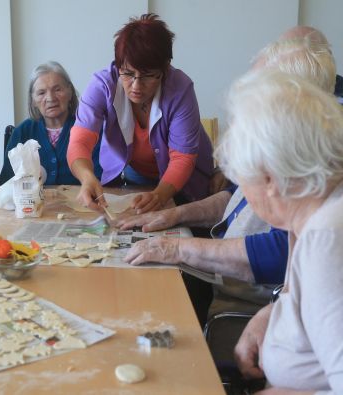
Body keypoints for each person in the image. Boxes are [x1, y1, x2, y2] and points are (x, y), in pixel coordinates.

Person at [117, 28, 336, 318]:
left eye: (261, 90)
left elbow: (284, 251)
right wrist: (174, 215)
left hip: (240, 303)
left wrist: (180, 249)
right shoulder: (284, 145)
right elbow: (234, 197)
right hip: (226, 283)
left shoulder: (316, 163)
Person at [223, 70, 343, 394]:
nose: (245, 196)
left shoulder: (327, 239)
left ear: (270, 180)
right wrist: (274, 314)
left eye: (243, 180)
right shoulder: (319, 215)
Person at [67, 13, 213, 214]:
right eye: (127, 73)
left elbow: (182, 158)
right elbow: (79, 141)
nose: (136, 85)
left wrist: (159, 195)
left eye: (147, 76)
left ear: (164, 69)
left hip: (185, 180)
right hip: (135, 175)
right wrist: (87, 177)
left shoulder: (180, 89)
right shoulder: (102, 85)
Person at [0, 61, 102, 185]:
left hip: (80, 202)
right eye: (41, 93)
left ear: (70, 92)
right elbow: (7, 182)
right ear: (33, 100)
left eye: (57, 89)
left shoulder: (88, 128)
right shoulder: (22, 132)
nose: (50, 98)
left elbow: (101, 177)